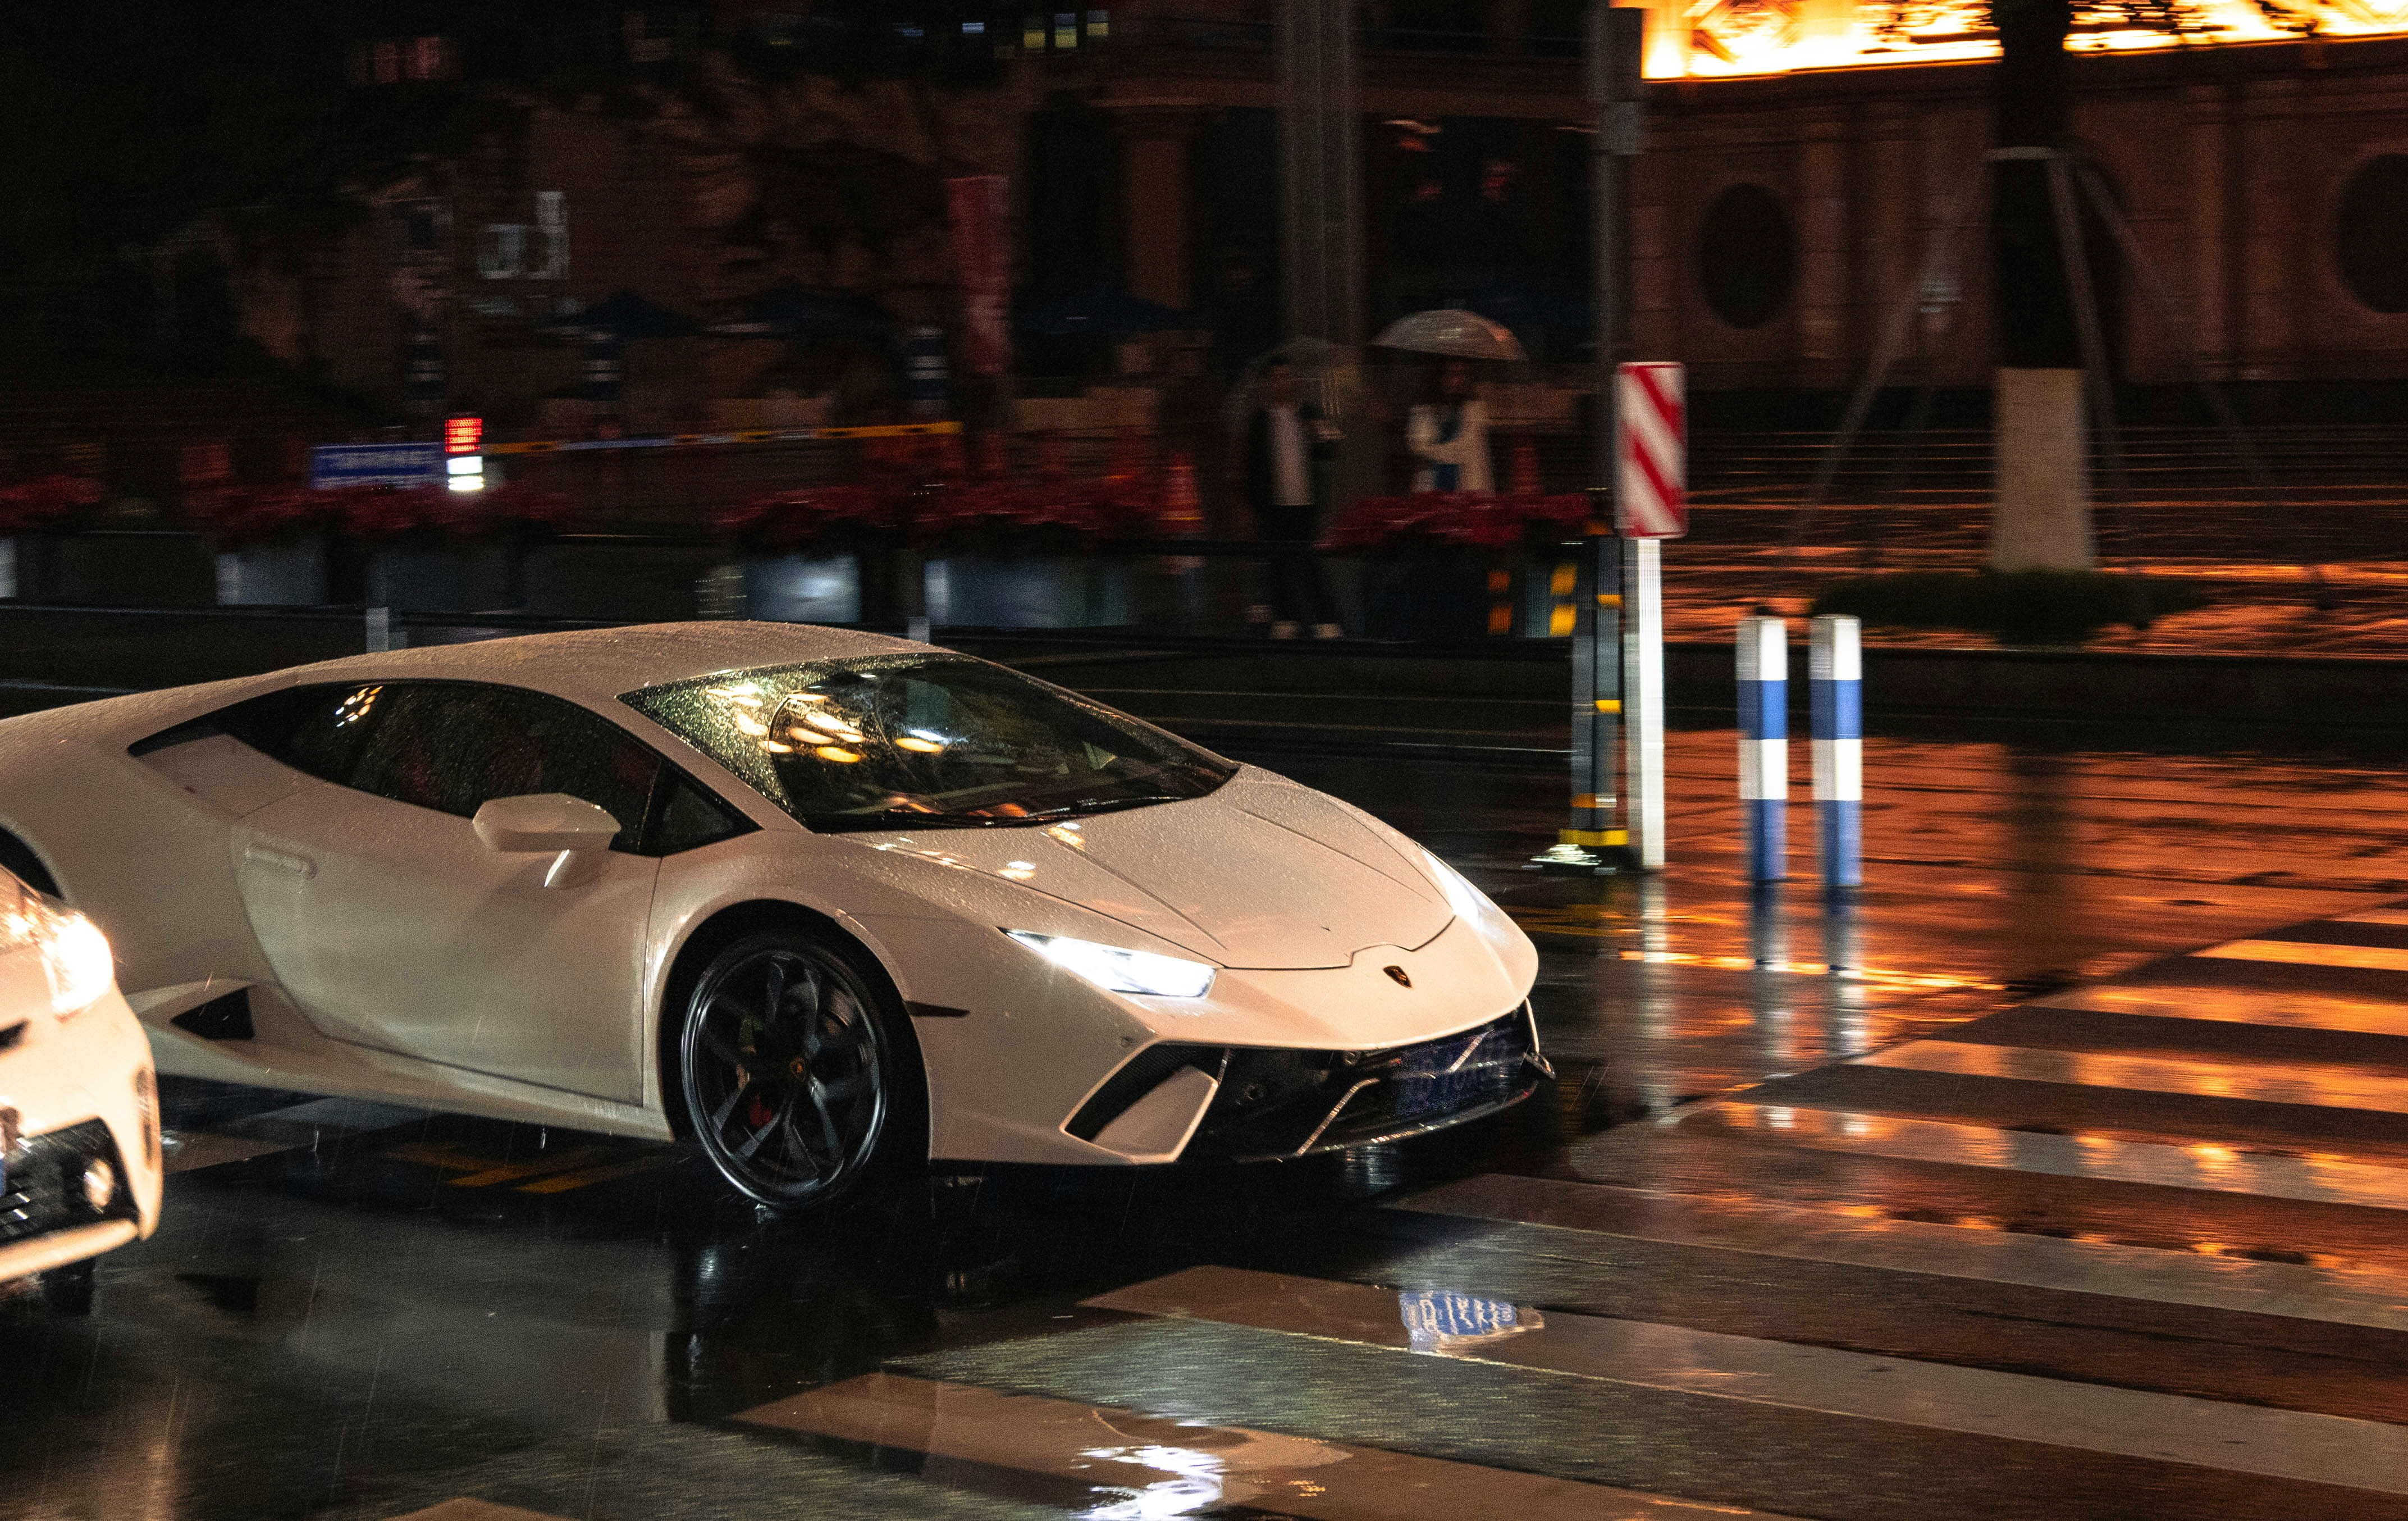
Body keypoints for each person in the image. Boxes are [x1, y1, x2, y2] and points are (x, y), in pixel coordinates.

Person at [1242, 358, 1342, 639]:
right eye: (1277, 378)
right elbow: (1253, 465)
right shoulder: (1260, 420)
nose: (1283, 383)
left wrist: (1320, 438)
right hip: (1273, 505)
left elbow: (1330, 450)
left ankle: (1325, 619)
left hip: (1305, 503)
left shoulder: (1309, 413)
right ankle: (1285, 617)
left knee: (1309, 561)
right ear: (1267, 383)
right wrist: (1256, 503)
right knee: (1278, 562)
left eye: (1287, 377)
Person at [1406, 358, 1493, 494]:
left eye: (1463, 375)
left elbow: (1463, 449)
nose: (1457, 381)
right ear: (1440, 377)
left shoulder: (1475, 410)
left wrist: (1427, 452)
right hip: (1432, 488)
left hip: (1467, 490)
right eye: (1452, 374)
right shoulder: (1425, 410)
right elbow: (1416, 444)